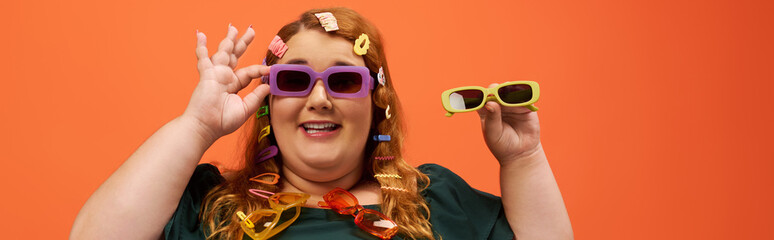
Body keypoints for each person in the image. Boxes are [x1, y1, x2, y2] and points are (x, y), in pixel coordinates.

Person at [70, 7, 573, 240]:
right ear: (268, 103)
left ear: (377, 104)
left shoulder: (438, 202)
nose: (318, 98)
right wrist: (197, 126)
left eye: (343, 82)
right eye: (292, 80)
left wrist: (522, 157)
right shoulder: (209, 206)